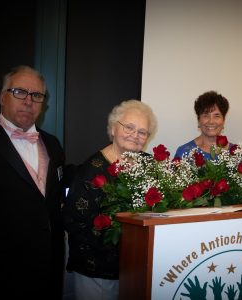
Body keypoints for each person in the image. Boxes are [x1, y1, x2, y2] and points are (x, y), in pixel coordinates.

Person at [63, 100, 157, 300]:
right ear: (113, 128)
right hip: (98, 271)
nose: (135, 135)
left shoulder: (150, 164)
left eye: (142, 132)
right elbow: (74, 222)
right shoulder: (91, 170)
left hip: (138, 268)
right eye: (129, 127)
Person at [0, 65, 66, 299]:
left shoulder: (53, 144)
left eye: (36, 95)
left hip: (48, 272)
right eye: (19, 92)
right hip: (1, 274)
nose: (28, 101)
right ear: (2, 97)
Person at [175, 90, 232, 160]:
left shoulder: (236, 153)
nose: (211, 121)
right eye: (205, 115)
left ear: (223, 121)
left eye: (216, 116)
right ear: (198, 121)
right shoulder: (184, 152)